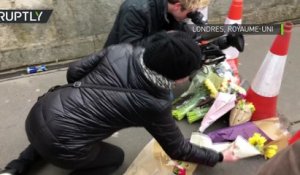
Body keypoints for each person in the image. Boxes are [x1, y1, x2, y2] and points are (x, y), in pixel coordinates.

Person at [0, 31, 236, 175]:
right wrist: (218, 156)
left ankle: (14, 169)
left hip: (40, 112)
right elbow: (177, 149)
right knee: (114, 159)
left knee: (58, 128)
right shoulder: (156, 102)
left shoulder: (121, 50)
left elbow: (73, 73)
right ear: (177, 76)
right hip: (63, 145)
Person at [104, 0, 209, 47]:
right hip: (117, 66)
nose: (190, 17)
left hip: (147, 62)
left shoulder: (169, 9)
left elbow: (183, 31)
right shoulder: (135, 9)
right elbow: (129, 47)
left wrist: (219, 40)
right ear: (177, 6)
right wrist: (165, 37)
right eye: (190, 13)